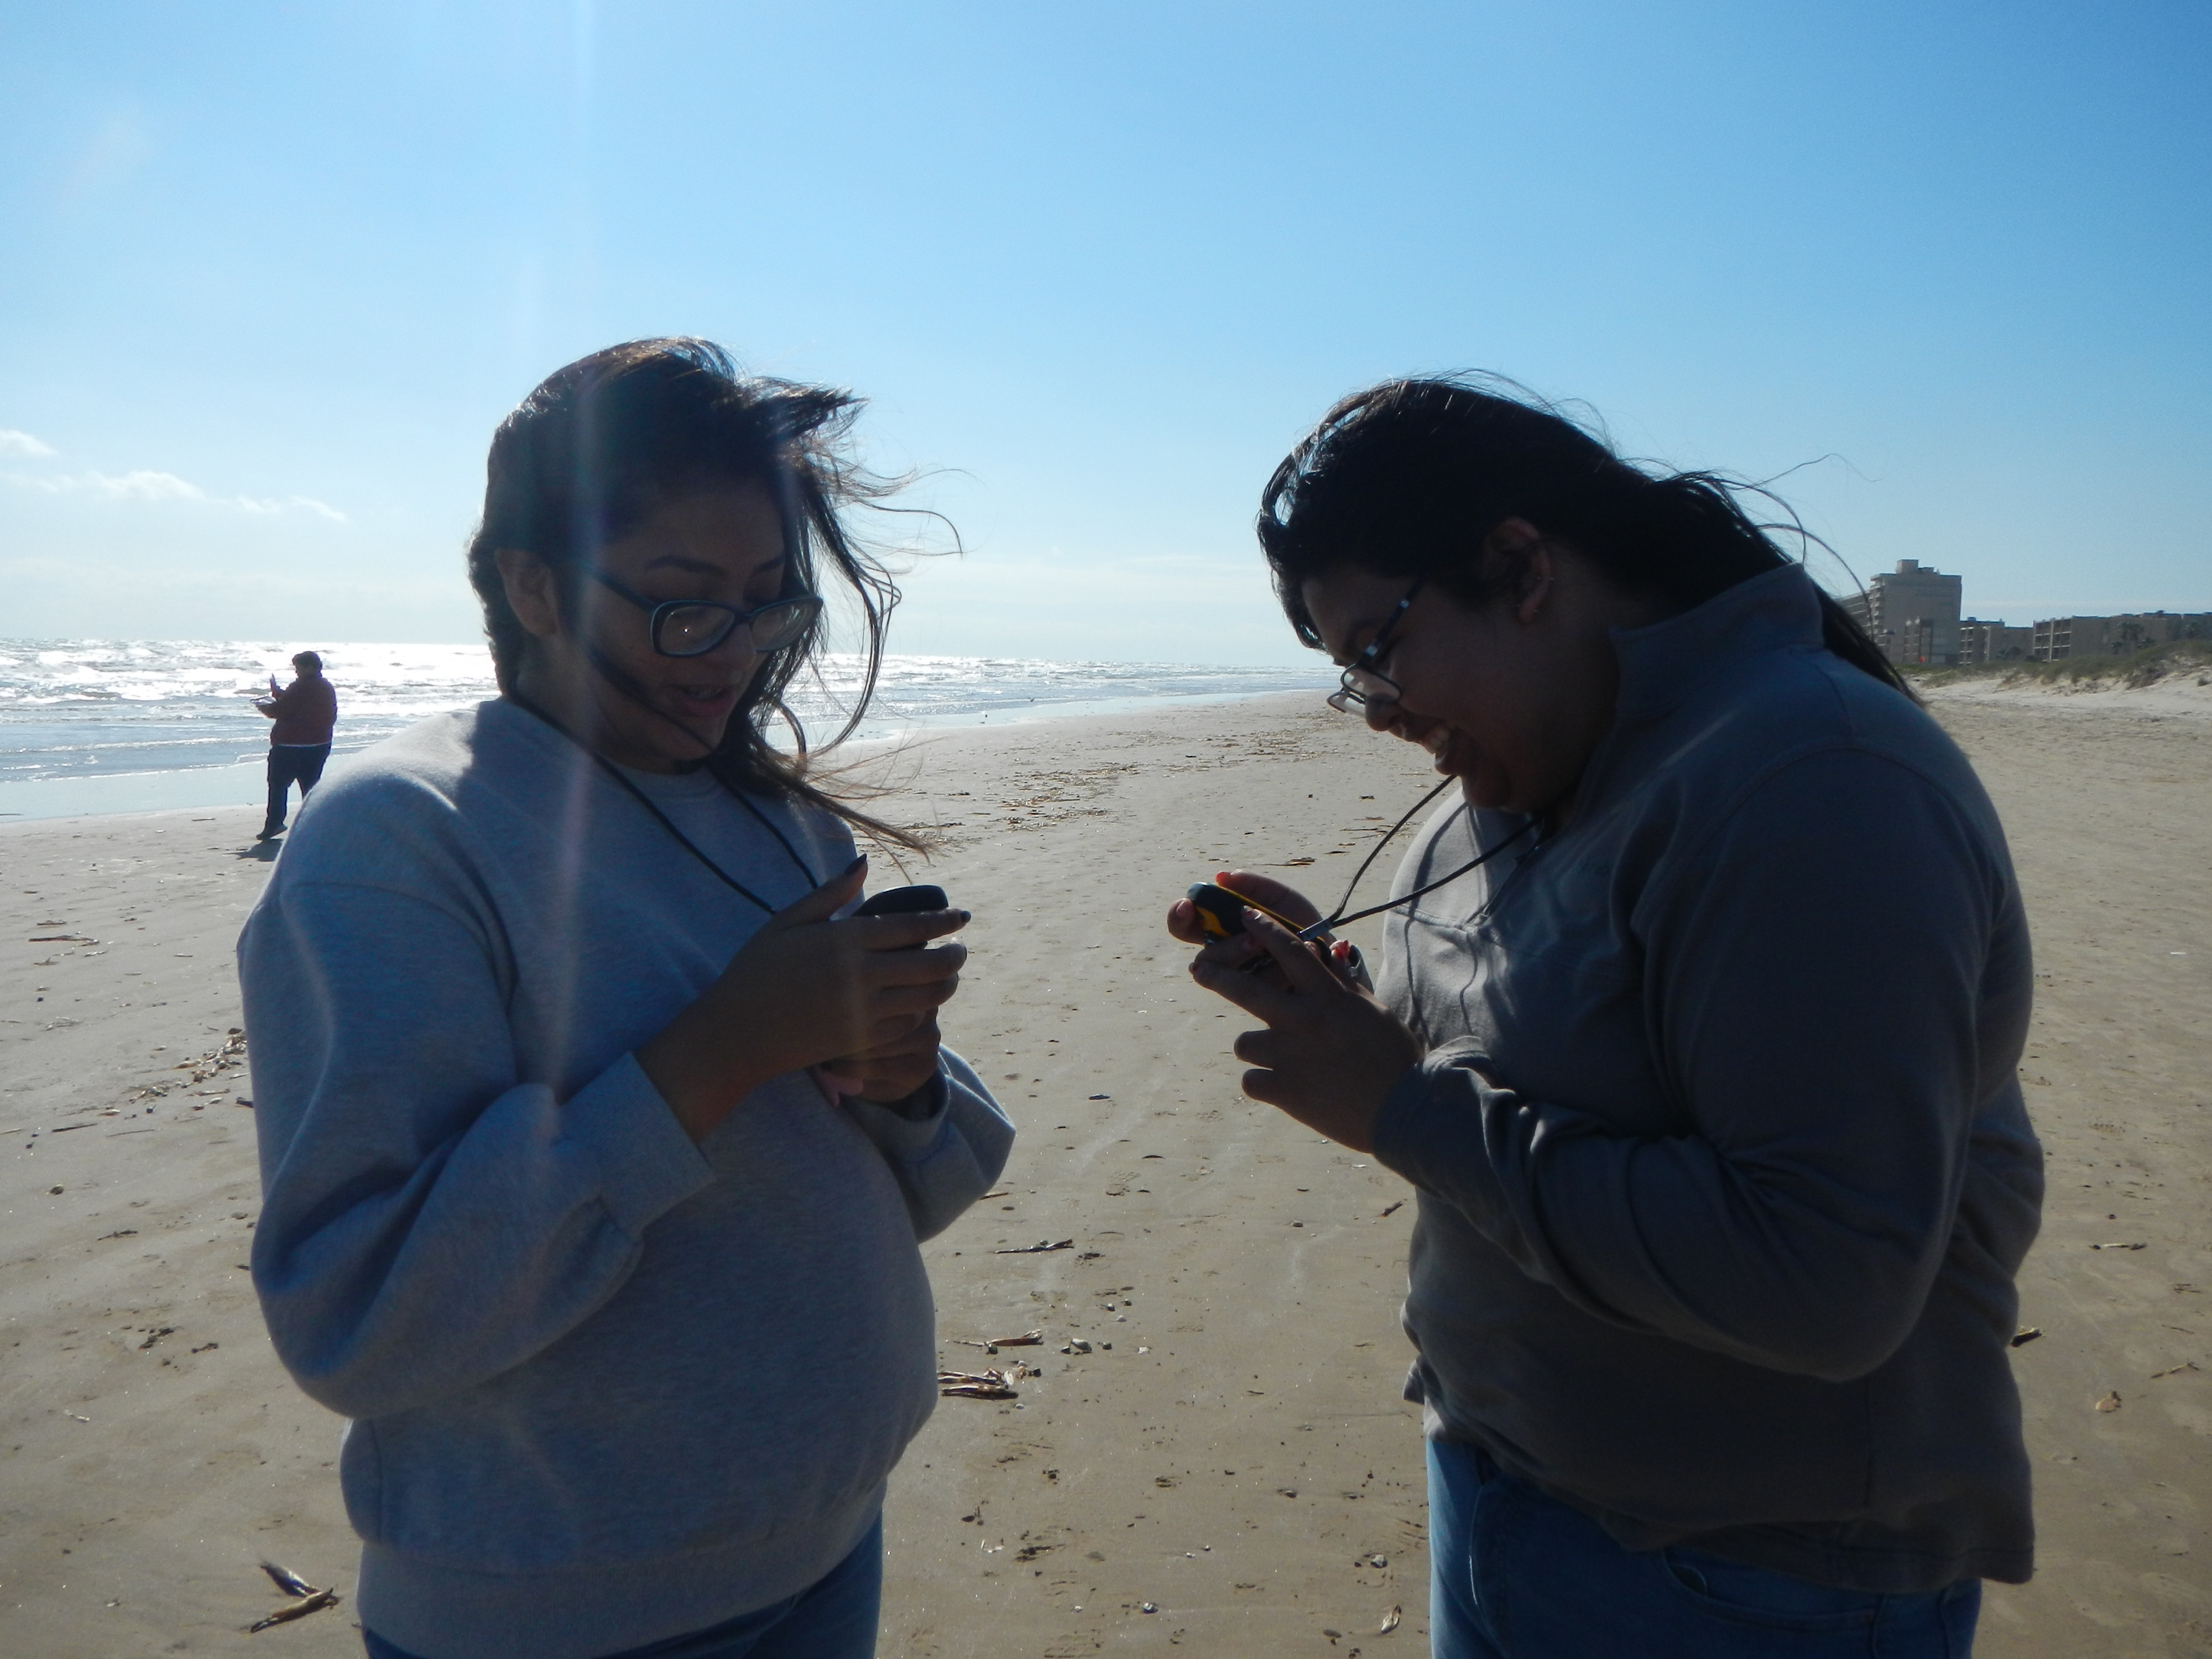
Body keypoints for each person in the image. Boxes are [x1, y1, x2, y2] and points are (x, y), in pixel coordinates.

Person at [1169, 377, 2037, 1657]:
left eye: (1375, 647)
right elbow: (1536, 1034)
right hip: (1509, 1487)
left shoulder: (1810, 779)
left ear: (1520, 565)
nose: (1379, 708)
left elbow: (1824, 1281)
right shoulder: (1526, 764)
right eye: (1345, 673)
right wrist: (1350, 997)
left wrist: (1401, 1109)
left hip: (1742, 1577)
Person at [239, 338, 1013, 1659]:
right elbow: (356, 1321)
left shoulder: (767, 816)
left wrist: (902, 1079)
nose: (733, 649)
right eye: (681, 599)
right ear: (532, 584)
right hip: (563, 1608)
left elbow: (927, 1179)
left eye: (770, 599)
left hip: (826, 1544)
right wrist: (712, 1055)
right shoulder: (400, 840)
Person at [254, 649, 337, 840]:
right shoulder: (325, 686)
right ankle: (315, 824)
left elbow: (281, 711)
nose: (297, 672)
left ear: (309, 667)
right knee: (310, 787)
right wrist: (282, 695)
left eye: (298, 668)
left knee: (278, 785)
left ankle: (275, 823)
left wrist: (265, 707)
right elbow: (301, 705)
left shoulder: (301, 687)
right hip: (319, 744)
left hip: (291, 745)